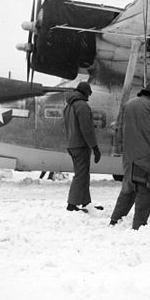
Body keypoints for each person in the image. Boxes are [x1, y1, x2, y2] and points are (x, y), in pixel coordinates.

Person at [110, 81, 150, 229]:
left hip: (128, 157)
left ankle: (115, 221)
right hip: (146, 157)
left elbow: (119, 129)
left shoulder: (128, 105)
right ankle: (139, 225)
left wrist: (119, 148)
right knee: (147, 191)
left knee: (128, 190)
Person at [63, 81, 101, 212]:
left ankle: (85, 203)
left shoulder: (69, 106)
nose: (89, 97)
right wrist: (95, 147)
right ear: (85, 92)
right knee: (80, 175)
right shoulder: (82, 106)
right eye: (89, 93)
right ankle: (72, 204)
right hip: (80, 145)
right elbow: (87, 130)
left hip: (72, 144)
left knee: (83, 174)